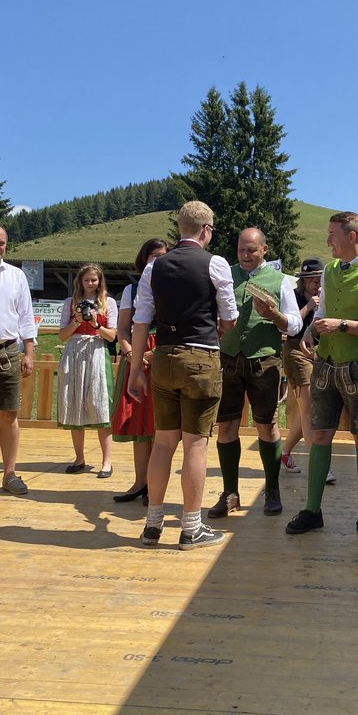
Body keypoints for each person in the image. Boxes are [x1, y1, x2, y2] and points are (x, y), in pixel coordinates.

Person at [128, 201, 238, 549]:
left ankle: (152, 525)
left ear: (180, 228)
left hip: (163, 357)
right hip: (201, 358)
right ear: (205, 229)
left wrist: (135, 370)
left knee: (163, 442)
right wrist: (217, 327)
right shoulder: (215, 263)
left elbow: (141, 321)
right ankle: (191, 528)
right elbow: (230, 318)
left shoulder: (154, 267)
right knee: (195, 444)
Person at [285, 211, 358, 535]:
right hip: (325, 365)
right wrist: (310, 332)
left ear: (351, 236)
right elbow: (323, 310)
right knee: (319, 435)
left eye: (332, 234)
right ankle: (312, 510)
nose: (327, 240)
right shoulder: (330, 271)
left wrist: (341, 325)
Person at [208, 227, 302, 520]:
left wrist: (274, 315)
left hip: (264, 361)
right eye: (241, 250)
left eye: (251, 250)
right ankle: (230, 493)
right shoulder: (224, 276)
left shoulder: (280, 281)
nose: (245, 255)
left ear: (264, 249)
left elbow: (295, 324)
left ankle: (272, 491)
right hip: (228, 359)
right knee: (226, 427)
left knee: (267, 426)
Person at [111, 238, 168, 503]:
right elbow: (123, 328)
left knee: (158, 423)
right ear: (144, 258)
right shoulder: (131, 289)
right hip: (135, 353)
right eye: (154, 255)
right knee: (138, 423)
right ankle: (140, 483)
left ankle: (154, 486)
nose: (158, 260)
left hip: (163, 352)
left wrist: (154, 354)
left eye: (163, 255)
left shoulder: (174, 286)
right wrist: (132, 355)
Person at [57, 263, 118, 477]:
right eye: (87, 280)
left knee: (100, 404)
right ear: (80, 281)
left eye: (94, 279)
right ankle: (79, 458)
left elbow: (112, 336)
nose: (91, 283)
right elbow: (62, 336)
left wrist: (95, 324)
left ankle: (106, 461)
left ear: (100, 281)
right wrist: (76, 320)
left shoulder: (108, 302)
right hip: (74, 351)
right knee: (74, 402)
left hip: (96, 350)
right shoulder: (70, 302)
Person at [281, 257, 335, 483]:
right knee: (309, 408)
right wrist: (310, 306)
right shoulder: (293, 297)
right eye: (312, 280)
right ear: (303, 281)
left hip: (317, 352)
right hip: (295, 350)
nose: (316, 284)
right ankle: (319, 465)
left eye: (319, 280)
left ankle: (284, 453)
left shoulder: (326, 297)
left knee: (307, 410)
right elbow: (289, 326)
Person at [0, 226, 36, 497]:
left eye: (1, 243)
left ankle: (10, 474)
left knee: (9, 414)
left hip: (8, 351)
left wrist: (29, 352)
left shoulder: (16, 275)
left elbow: (26, 315)